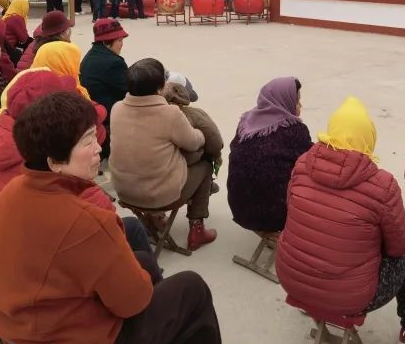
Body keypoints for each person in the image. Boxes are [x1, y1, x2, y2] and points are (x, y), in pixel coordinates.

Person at [0, 92, 221, 344]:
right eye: (87, 142)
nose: (98, 149)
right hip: (62, 336)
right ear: (54, 163)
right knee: (192, 287)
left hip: (14, 320)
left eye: (95, 137)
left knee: (141, 255)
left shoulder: (14, 190)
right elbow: (133, 302)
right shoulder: (87, 222)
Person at [276, 97, 405, 344]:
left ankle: (310, 301)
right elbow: (398, 247)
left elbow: (293, 212)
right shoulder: (381, 185)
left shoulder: (302, 164)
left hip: (292, 280)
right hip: (350, 298)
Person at [0, 70, 115, 242]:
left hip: (9, 247)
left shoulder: (4, 138)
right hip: (55, 257)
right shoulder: (55, 160)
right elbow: (107, 228)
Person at [110, 58, 220, 251]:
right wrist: (202, 135)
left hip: (124, 191)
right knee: (204, 165)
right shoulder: (169, 114)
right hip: (159, 196)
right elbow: (193, 142)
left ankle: (154, 219)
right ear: (161, 86)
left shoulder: (117, 108)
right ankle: (197, 228)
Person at [226, 77, 312, 234]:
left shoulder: (245, 123)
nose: (300, 105)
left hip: (240, 208)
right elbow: (312, 162)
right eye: (297, 101)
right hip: (276, 216)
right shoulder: (295, 131)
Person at [161, 73, 223, 190]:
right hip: (172, 180)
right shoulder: (193, 115)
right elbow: (215, 143)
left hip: (138, 180)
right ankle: (199, 207)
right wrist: (216, 156)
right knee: (206, 163)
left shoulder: (143, 111)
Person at [79, 18, 129, 159]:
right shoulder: (113, 63)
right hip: (108, 120)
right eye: (119, 40)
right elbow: (131, 91)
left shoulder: (91, 55)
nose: (122, 44)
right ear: (107, 42)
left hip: (94, 114)